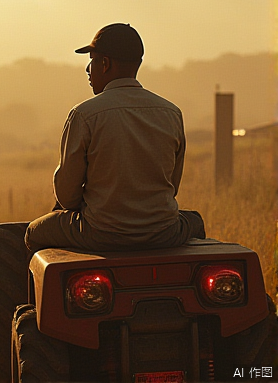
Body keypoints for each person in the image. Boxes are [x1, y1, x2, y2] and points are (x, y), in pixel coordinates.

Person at [24, 23, 205, 254]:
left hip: (100, 233)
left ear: (105, 64)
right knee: (195, 221)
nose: (88, 69)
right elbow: (173, 186)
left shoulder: (84, 114)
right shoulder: (171, 112)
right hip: (163, 233)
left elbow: (67, 198)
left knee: (33, 232)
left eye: (91, 60)